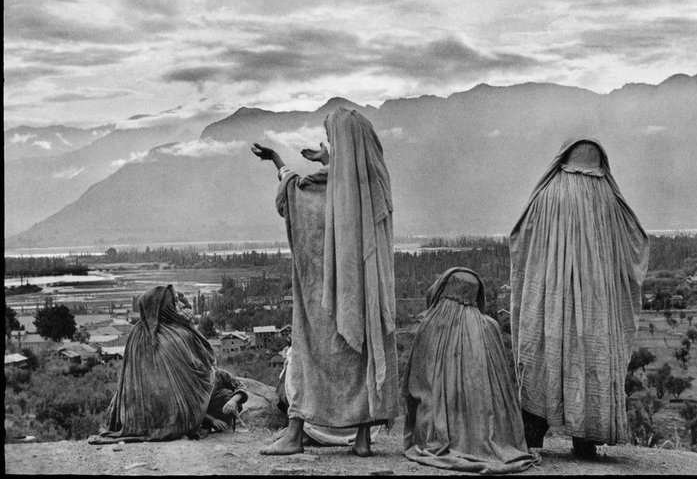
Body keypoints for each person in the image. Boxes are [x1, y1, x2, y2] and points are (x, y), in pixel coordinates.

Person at [251, 107, 399, 457]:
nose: (329, 146)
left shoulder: (320, 191)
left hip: (321, 299)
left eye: (332, 140)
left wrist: (277, 161)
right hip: (365, 297)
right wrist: (332, 159)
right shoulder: (375, 186)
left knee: (308, 353)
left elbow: (292, 194)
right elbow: (352, 173)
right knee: (361, 357)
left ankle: (294, 433)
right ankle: (362, 438)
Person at [508, 138, 649, 458]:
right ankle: (585, 442)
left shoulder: (547, 194)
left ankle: (532, 439)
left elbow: (520, 239)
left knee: (544, 357)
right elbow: (635, 243)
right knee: (590, 361)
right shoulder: (609, 198)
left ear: (564, 158)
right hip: (596, 305)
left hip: (551, 301)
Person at [402, 267, 541, 473]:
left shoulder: (430, 325)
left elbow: (413, 387)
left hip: (433, 431)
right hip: (491, 430)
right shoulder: (490, 327)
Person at [88, 285, 217, 444]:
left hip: (135, 417)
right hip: (175, 418)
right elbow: (206, 361)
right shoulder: (178, 334)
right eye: (174, 303)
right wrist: (190, 325)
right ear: (165, 307)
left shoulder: (136, 333)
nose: (178, 307)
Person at [201, 367, 249, 434]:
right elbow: (192, 408)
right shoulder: (193, 378)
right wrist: (213, 420)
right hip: (201, 414)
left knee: (227, 394)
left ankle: (227, 424)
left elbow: (241, 386)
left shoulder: (220, 374)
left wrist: (233, 400)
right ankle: (209, 425)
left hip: (219, 407)